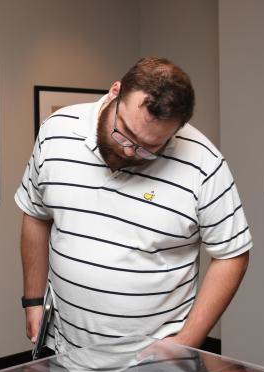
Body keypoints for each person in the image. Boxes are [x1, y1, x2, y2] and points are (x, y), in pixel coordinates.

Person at [16, 57, 251, 354]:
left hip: (155, 360)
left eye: (149, 147)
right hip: (64, 347)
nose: (129, 151)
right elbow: (36, 216)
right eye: (124, 131)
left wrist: (186, 342)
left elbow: (232, 255)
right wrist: (33, 302)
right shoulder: (56, 132)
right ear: (115, 91)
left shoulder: (204, 163)